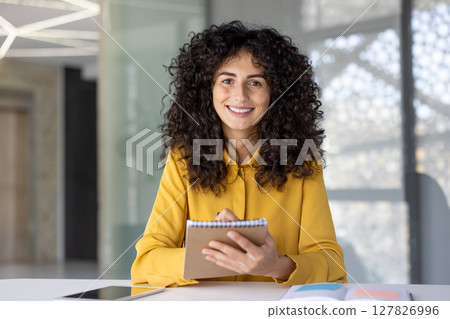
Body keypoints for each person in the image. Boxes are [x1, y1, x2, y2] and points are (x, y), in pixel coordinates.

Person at [131, 21, 347, 287]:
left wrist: (277, 265)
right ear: (206, 89)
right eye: (227, 80)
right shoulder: (183, 158)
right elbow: (147, 262)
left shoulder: (302, 159)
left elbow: (331, 263)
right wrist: (213, 254)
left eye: (255, 82)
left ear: (275, 92)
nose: (240, 95)